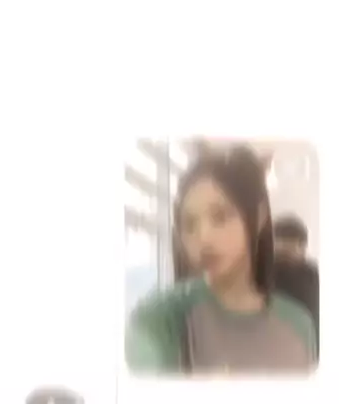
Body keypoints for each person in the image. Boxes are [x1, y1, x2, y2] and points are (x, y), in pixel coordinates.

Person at [125, 145, 317, 375]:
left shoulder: (299, 325)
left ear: (258, 218)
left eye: (220, 216)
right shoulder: (159, 320)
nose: (203, 238)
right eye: (189, 225)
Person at [273, 214, 319, 359]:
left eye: (292, 244)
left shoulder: (312, 276)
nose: (286, 250)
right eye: (280, 242)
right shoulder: (263, 272)